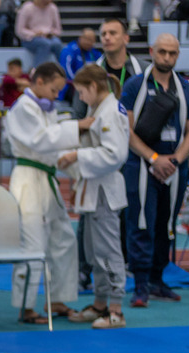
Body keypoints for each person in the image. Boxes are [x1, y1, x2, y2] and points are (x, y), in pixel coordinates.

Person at [5, 61, 93, 324]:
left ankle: (57, 299)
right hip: (27, 179)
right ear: (40, 81)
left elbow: (56, 148)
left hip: (46, 178)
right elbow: (42, 140)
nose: (56, 96)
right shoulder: (24, 107)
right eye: (54, 90)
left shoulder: (46, 108)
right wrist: (78, 126)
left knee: (64, 239)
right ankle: (26, 306)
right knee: (32, 244)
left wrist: (76, 174)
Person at [120, 34, 189, 307]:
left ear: (178, 55)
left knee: (167, 225)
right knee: (141, 223)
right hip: (142, 165)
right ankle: (141, 284)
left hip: (174, 168)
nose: (167, 57)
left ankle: (157, 280)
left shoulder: (186, 89)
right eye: (162, 51)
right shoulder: (135, 85)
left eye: (172, 53)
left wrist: (175, 160)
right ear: (152, 51)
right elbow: (126, 129)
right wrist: (154, 158)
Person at [58, 65, 131, 328]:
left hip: (104, 191)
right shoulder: (98, 109)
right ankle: (100, 304)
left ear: (93, 86)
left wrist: (77, 155)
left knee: (108, 252)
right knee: (93, 251)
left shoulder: (111, 111)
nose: (80, 97)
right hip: (92, 189)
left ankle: (116, 310)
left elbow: (115, 155)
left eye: (81, 92)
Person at [15, 0, 63, 67]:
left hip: (49, 37)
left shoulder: (53, 8)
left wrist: (50, 32)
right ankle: (37, 69)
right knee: (45, 44)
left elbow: (58, 30)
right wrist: (34, 33)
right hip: (30, 39)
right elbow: (19, 30)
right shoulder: (27, 8)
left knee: (57, 44)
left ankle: (63, 68)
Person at [58, 28, 101, 100]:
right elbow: (65, 71)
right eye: (87, 39)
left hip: (90, 85)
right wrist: (79, 82)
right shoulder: (69, 50)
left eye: (91, 40)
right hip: (71, 87)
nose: (88, 42)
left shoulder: (94, 53)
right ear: (80, 38)